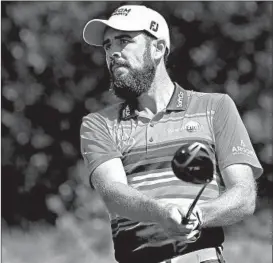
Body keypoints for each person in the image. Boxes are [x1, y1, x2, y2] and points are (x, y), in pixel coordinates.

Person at [80, 4, 263, 263]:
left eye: (124, 41)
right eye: (108, 45)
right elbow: (113, 193)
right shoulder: (97, 123)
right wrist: (162, 212)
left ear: (157, 49)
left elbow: (244, 196)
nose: (113, 53)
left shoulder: (216, 107)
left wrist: (199, 214)